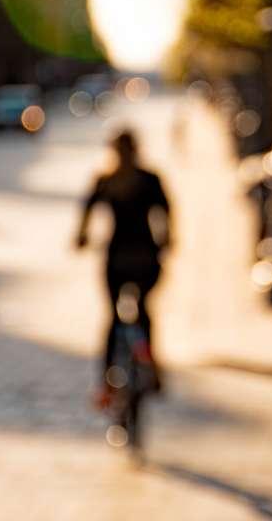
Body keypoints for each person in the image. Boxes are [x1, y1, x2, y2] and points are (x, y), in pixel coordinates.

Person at [76, 130, 172, 406]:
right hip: (146, 256)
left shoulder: (107, 181)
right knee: (143, 310)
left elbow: (87, 211)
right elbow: (166, 212)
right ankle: (150, 364)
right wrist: (167, 239)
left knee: (113, 317)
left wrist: (81, 237)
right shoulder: (149, 179)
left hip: (117, 257)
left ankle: (106, 383)